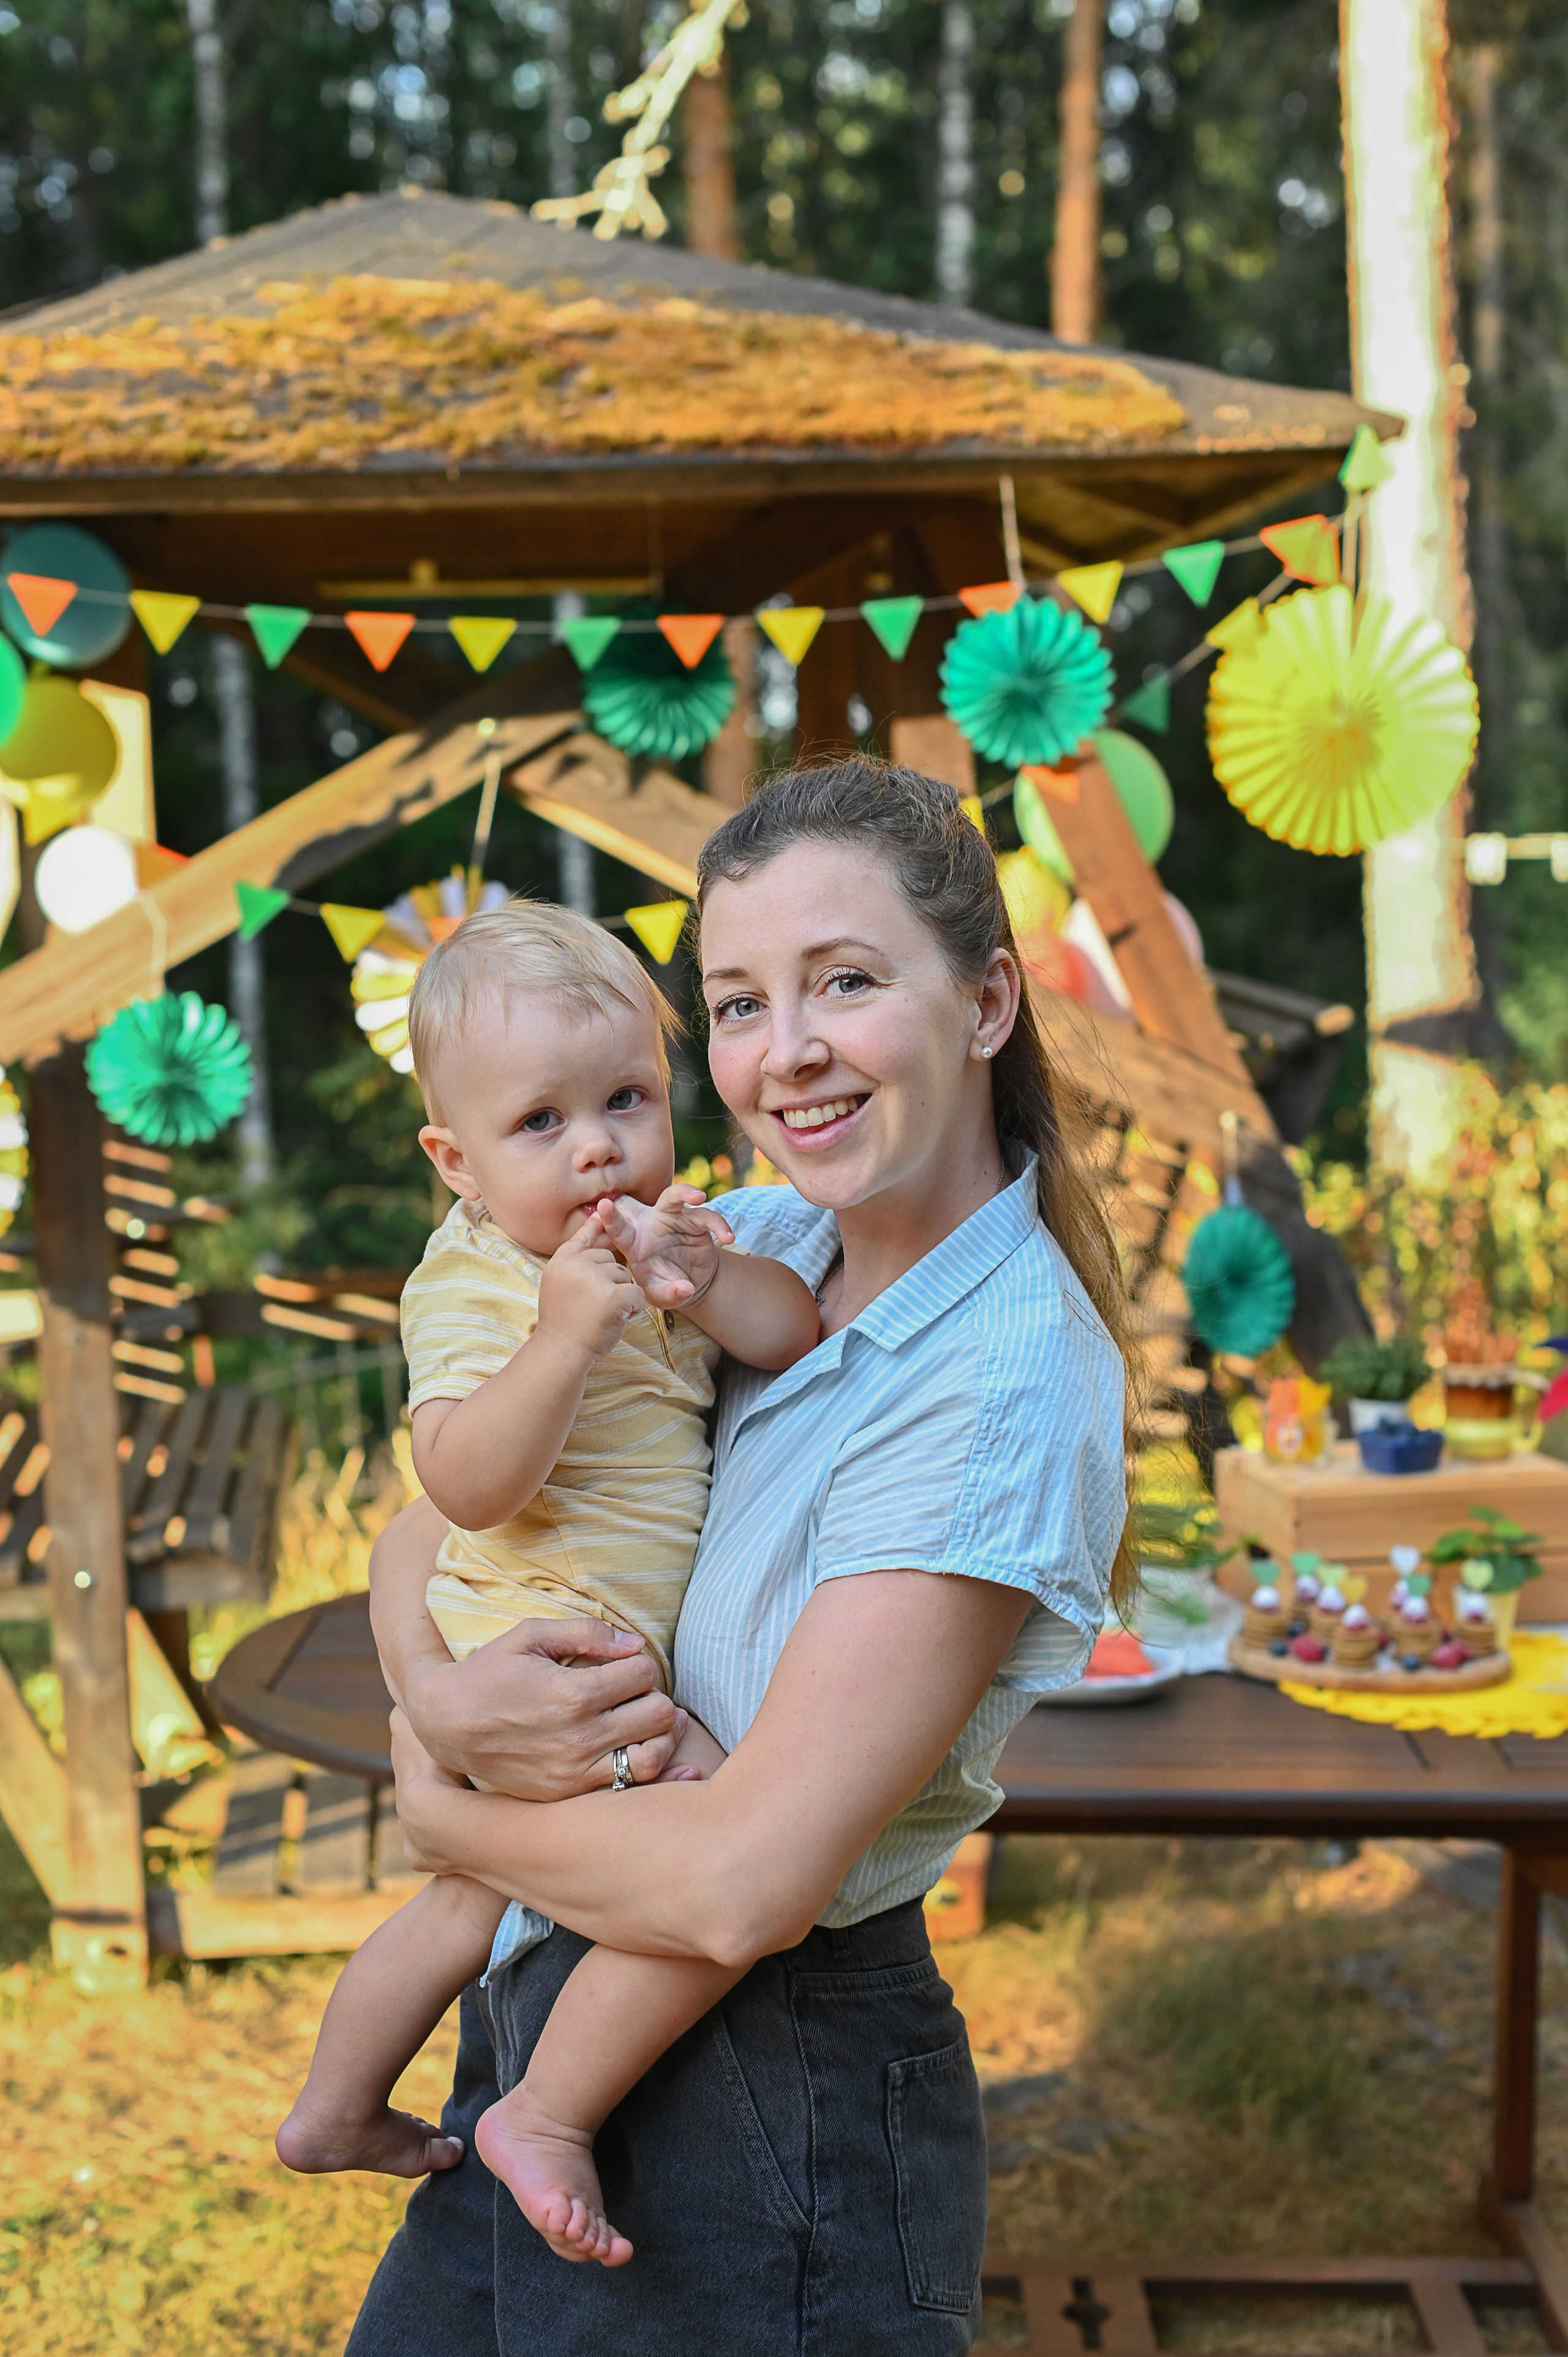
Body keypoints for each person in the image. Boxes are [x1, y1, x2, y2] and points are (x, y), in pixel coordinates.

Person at [349, 760, 1137, 2357]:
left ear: (986, 1002)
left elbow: (737, 1887)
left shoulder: (996, 1385)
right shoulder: (749, 1246)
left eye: (844, 981)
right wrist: (436, 1693)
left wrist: (440, 1808)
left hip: (780, 2095)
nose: (787, 1055)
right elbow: (428, 1521)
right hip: (547, 1985)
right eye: (737, 1002)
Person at [276, 902, 820, 2267]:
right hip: (542, 1643)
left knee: (465, 1902)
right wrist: (566, 1335)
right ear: (454, 1163)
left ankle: (335, 2107)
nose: (596, 1145)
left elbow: (792, 1331)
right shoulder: (473, 1282)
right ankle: (550, 2114)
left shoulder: (659, 1244)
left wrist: (703, 1283)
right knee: (731, 1856)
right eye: (540, 1124)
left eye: (626, 1098)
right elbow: (463, 1480)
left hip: (585, 1640)